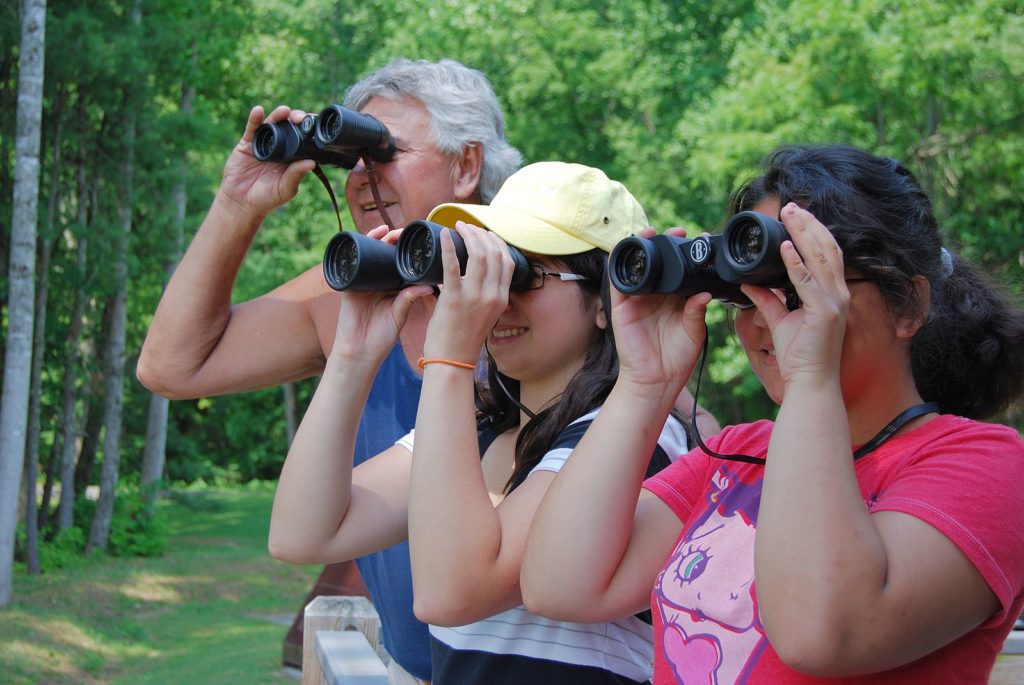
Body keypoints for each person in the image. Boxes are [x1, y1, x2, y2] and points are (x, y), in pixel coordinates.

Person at [521, 145, 1024, 684]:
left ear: (908, 306)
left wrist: (812, 376)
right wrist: (644, 382)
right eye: (746, 295)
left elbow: (821, 632)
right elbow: (560, 584)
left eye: (803, 285)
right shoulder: (738, 455)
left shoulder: (987, 465)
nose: (767, 318)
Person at [137, 58, 523, 684]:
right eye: (351, 159)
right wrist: (239, 204)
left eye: (385, 152)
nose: (363, 179)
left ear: (467, 163)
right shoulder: (349, 298)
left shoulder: (543, 298)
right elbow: (171, 367)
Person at [269, 161, 691, 683]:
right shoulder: (482, 428)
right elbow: (303, 532)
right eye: (479, 272)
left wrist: (449, 355)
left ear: (608, 300)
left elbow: (452, 592)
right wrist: (353, 356)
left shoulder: (634, 436)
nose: (494, 300)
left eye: (522, 274)